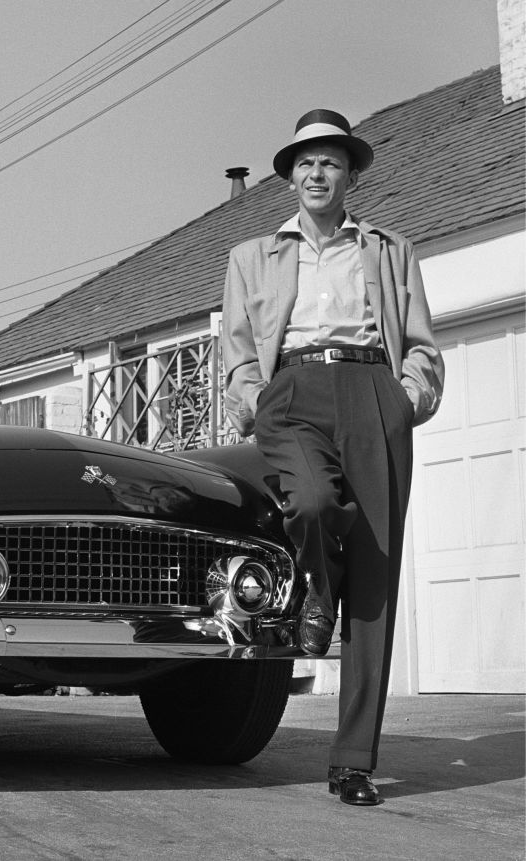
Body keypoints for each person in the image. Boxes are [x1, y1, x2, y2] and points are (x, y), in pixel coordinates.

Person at [221, 109, 444, 806]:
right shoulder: (252, 256)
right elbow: (235, 348)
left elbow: (421, 344)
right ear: (289, 178)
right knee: (312, 500)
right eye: (305, 163)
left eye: (331, 162)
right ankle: (317, 585)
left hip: (373, 390)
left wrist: (405, 398)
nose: (318, 174)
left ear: (350, 174)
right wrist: (255, 399)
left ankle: (353, 760)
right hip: (292, 388)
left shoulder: (388, 249)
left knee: (375, 579)